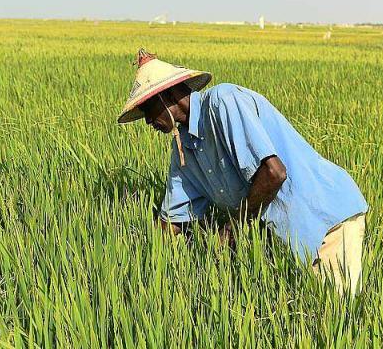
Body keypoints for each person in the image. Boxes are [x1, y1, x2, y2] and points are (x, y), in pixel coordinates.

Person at [117, 49, 369, 296]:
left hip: (325, 220)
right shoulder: (184, 148)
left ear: (166, 95)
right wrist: (140, 265)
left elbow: (274, 173)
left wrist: (231, 229)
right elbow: (173, 219)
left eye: (147, 110)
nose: (148, 121)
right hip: (289, 236)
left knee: (338, 319)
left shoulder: (224, 101)